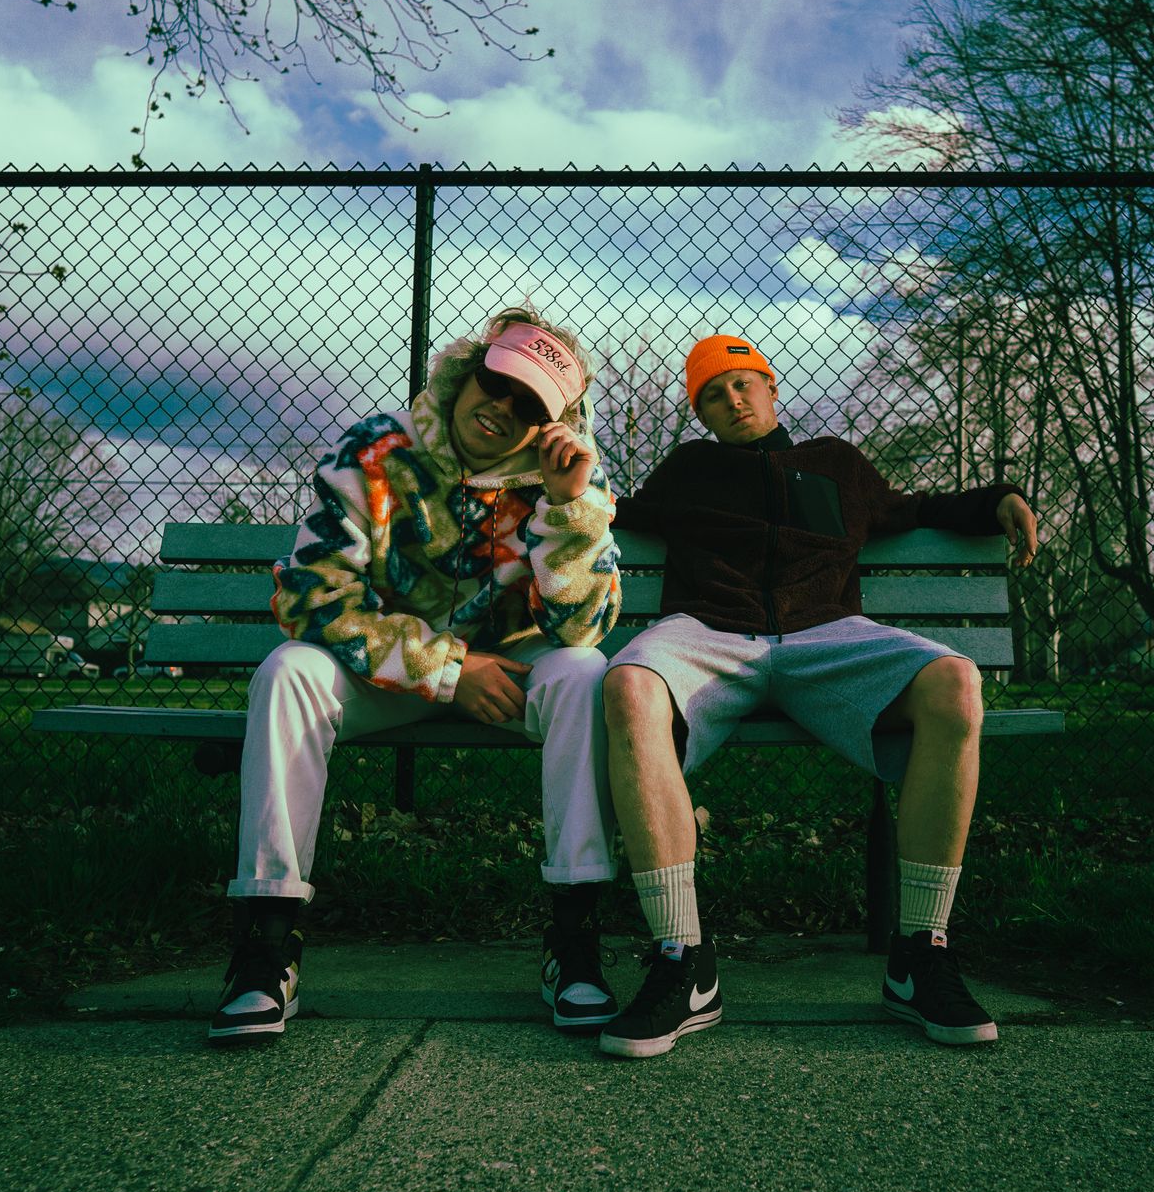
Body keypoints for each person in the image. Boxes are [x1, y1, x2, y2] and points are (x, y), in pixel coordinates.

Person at [597, 333, 1040, 1058]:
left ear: (771, 388)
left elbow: (916, 508)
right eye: (713, 394)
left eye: (743, 383)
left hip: (826, 636)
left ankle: (920, 955)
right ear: (700, 414)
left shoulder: (836, 465)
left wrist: (999, 500)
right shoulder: (690, 470)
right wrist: (538, 488)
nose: (732, 399)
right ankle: (683, 961)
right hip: (709, 634)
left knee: (955, 682)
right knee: (628, 684)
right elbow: (611, 509)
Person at [210, 307, 624, 1045]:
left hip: (511, 676)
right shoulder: (377, 451)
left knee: (582, 673)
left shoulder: (564, 478)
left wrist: (570, 508)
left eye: (529, 405)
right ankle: (266, 946)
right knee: (287, 672)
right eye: (498, 383)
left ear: (551, 426)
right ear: (468, 372)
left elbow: (581, 631)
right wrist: (448, 669)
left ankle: (575, 940)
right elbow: (312, 598)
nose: (502, 408)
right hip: (394, 677)